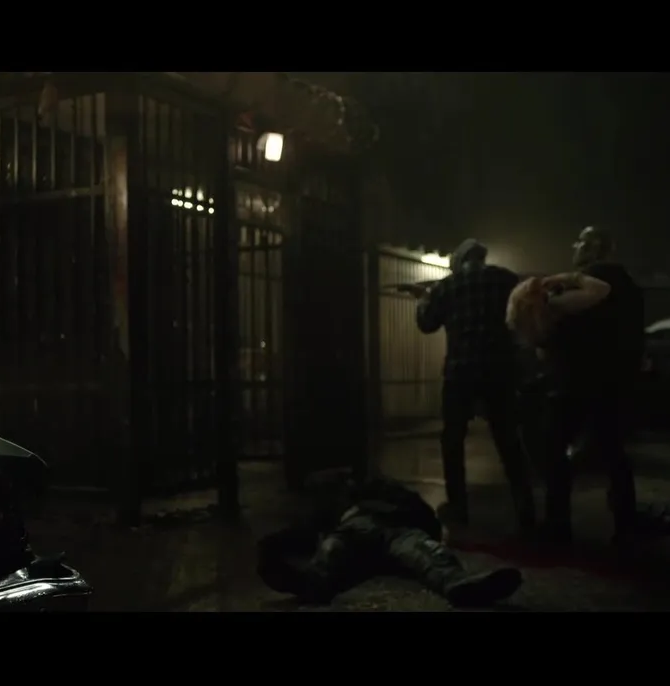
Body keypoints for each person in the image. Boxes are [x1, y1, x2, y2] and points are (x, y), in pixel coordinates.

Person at [256, 470, 523, 607]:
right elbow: (305, 532)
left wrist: (410, 521)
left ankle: (458, 584)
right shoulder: (333, 513)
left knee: (427, 553)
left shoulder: (379, 491)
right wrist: (272, 547)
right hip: (356, 534)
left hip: (395, 528)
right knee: (332, 551)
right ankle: (310, 584)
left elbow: (421, 512)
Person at [413, 238, 533, 534]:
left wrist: (424, 299)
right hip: (499, 370)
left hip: (460, 371)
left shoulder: (447, 286)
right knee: (508, 440)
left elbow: (427, 324)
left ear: (459, 261)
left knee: (453, 441)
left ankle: (458, 508)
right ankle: (525, 509)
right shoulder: (507, 279)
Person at [535, 227, 645, 549]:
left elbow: (560, 330)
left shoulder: (580, 285)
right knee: (614, 454)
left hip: (574, 379)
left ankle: (558, 525)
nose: (575, 247)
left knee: (554, 449)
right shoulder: (630, 286)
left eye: (580, 242)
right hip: (615, 381)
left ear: (593, 248)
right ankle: (626, 525)